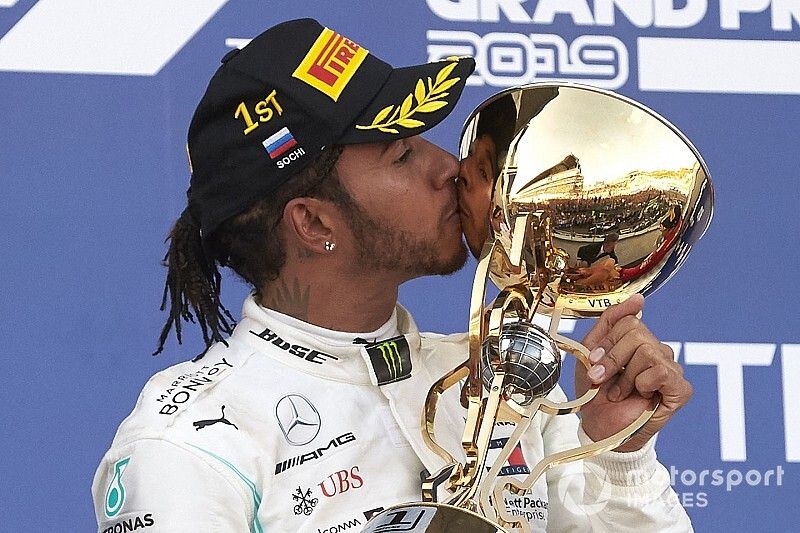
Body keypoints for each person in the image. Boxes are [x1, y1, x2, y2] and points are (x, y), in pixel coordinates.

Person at [92, 18, 693, 532]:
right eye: (402, 154)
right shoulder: (192, 442)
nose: (449, 167)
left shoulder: (505, 385)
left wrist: (621, 454)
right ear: (312, 223)